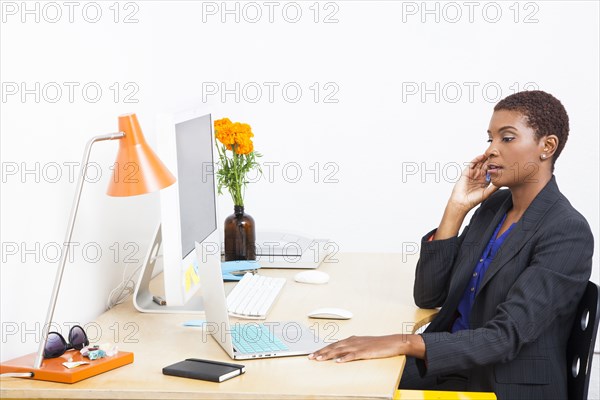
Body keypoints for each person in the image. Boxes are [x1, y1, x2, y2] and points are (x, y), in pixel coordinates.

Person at [308, 90, 594, 400]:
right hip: (453, 367)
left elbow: (505, 337)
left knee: (354, 385)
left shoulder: (566, 231)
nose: (491, 151)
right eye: (490, 139)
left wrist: (404, 341)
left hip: (498, 384)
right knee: (337, 376)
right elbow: (429, 294)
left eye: (507, 139)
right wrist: (456, 209)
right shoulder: (494, 207)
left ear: (546, 147)